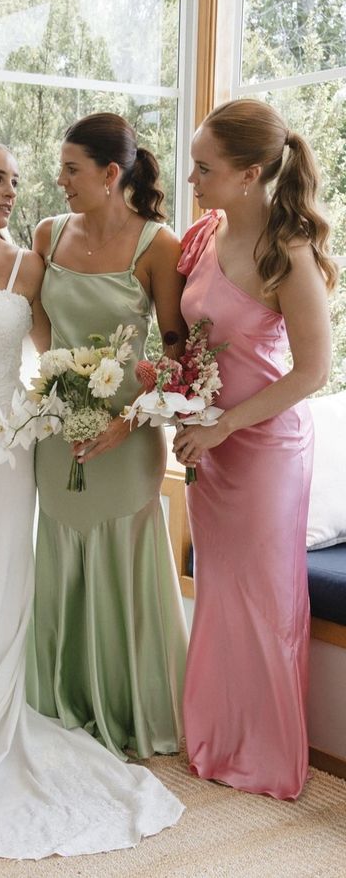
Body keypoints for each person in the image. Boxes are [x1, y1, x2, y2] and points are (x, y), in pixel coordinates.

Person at [0, 139, 184, 859]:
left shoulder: (30, 263)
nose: (14, 192)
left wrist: (89, 405)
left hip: (3, 448)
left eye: (18, 182)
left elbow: (49, 356)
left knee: (1, 575)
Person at [172, 99, 338, 799]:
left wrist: (224, 424)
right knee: (221, 598)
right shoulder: (204, 234)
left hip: (265, 449)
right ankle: (215, 744)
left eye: (204, 168)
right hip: (211, 445)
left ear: (247, 175)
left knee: (263, 602)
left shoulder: (287, 252)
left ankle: (267, 760)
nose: (192, 179)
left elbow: (313, 371)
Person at [28, 113, 189, 761]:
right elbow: (39, 327)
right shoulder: (47, 234)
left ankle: (131, 709)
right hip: (59, 430)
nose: (60, 181)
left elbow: (177, 356)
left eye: (71, 169)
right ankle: (61, 703)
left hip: (133, 433)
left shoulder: (160, 246)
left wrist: (123, 419)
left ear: (111, 174)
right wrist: (62, 385)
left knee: (124, 557)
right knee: (62, 556)